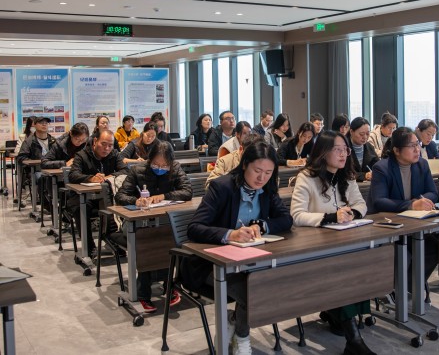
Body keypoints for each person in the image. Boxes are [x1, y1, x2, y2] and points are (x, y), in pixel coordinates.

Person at [182, 141, 293, 354]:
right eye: (257, 171)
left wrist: (262, 225)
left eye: (268, 172)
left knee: (277, 285)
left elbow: (286, 219)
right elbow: (194, 228)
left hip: (251, 261)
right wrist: (230, 234)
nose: (262, 178)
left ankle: (236, 324)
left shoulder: (267, 188)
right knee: (253, 292)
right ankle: (242, 337)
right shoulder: (222, 187)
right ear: (244, 165)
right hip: (213, 265)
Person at [290, 131, 376, 355]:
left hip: (344, 240)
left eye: (345, 150)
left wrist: (352, 213)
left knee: (364, 263)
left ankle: (339, 315)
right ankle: (353, 340)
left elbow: (361, 204)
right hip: (314, 246)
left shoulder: (347, 176)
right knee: (342, 269)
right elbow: (296, 215)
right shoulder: (307, 177)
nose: (343, 154)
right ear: (323, 152)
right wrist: (330, 217)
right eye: (337, 150)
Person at [115, 141, 192, 312]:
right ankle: (143, 293)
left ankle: (170, 286)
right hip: (137, 224)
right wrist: (136, 200)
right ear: (150, 160)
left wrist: (164, 196)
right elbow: (120, 196)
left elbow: (187, 191)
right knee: (149, 240)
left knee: (169, 237)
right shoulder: (137, 170)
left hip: (164, 222)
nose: (160, 168)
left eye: (164, 165)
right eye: (156, 164)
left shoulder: (175, 168)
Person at [367, 127, 439, 285]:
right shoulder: (382, 167)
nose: (417, 149)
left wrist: (422, 201)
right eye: (412, 146)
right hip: (388, 225)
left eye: (417, 144)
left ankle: (410, 286)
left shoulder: (422, 164)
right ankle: (397, 288)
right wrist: (412, 204)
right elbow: (379, 201)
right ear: (397, 150)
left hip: (414, 223)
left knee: (435, 246)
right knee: (403, 252)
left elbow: (433, 192)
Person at [68, 129, 127, 257]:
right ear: (95, 141)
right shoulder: (81, 155)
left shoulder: (114, 154)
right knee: (81, 208)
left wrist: (109, 177)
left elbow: (125, 171)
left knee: (118, 204)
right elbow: (73, 175)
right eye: (103, 144)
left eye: (110, 145)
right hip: (83, 197)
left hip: (106, 195)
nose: (107, 148)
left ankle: (114, 240)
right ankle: (89, 248)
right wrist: (91, 178)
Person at [16, 116, 56, 208]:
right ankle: (47, 204)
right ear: (34, 125)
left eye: (46, 123)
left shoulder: (53, 140)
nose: (44, 124)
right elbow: (21, 157)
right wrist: (34, 163)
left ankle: (63, 205)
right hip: (36, 170)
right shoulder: (29, 141)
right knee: (42, 178)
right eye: (41, 123)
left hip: (52, 168)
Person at [347, 117, 379, 182]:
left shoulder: (369, 147)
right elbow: (344, 172)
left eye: (368, 133)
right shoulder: (343, 147)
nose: (365, 137)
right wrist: (364, 175)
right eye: (361, 134)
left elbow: (378, 165)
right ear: (351, 132)